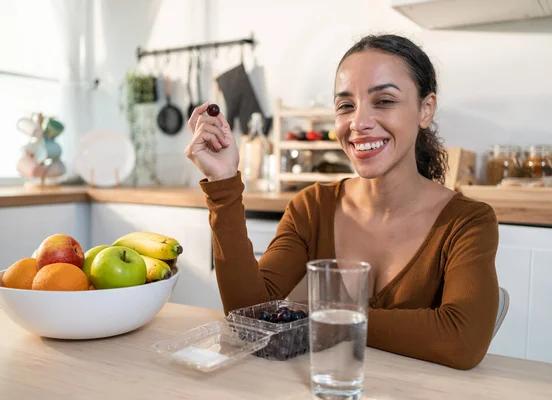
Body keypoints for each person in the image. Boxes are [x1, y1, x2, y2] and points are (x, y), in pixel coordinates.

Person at [185, 34, 499, 371]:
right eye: (346, 105)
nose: (358, 123)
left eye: (384, 101)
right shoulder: (312, 207)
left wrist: (321, 315)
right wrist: (223, 184)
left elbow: (462, 339)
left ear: (425, 109)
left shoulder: (467, 222)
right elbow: (249, 315)